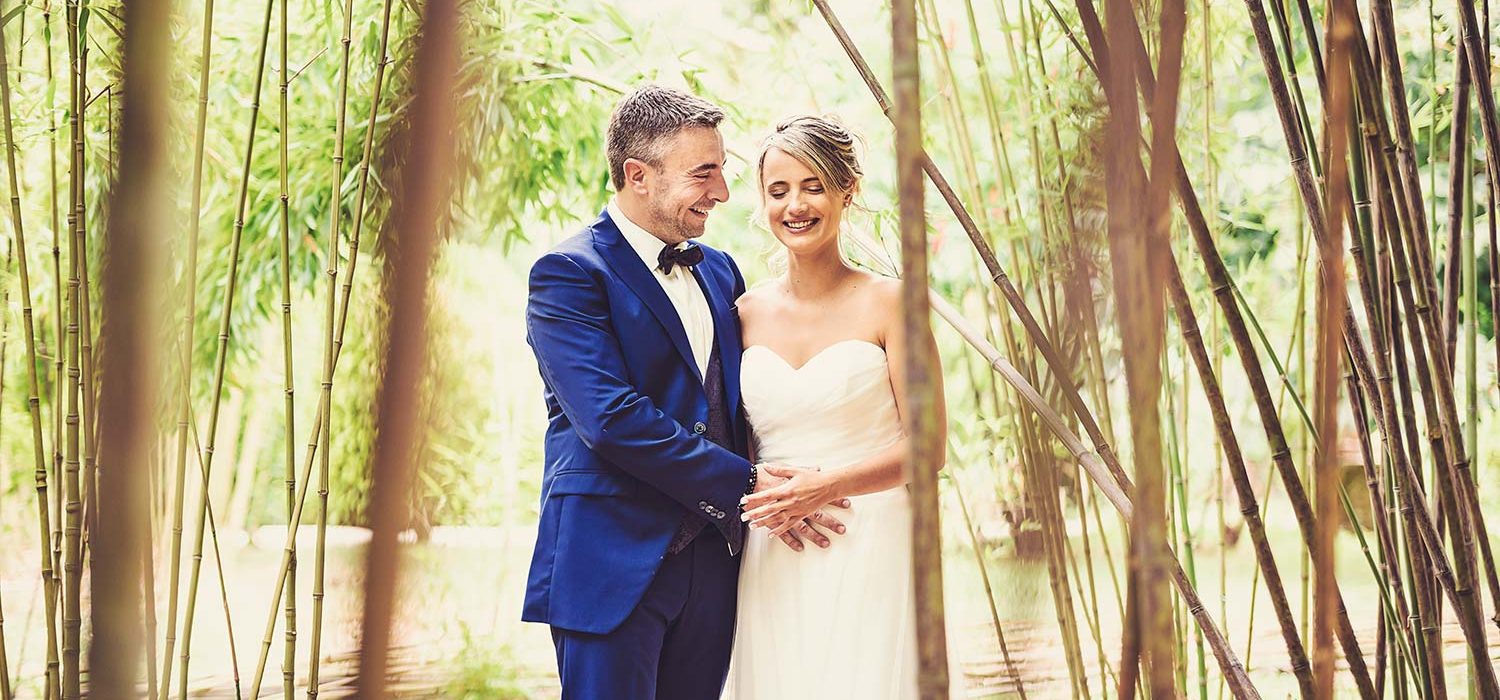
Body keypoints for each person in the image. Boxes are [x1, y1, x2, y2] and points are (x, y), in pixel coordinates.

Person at [521, 86, 847, 699]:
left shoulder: (721, 271)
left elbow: (737, 404)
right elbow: (611, 419)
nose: (723, 192)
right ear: (638, 175)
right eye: (705, 173)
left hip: (718, 560)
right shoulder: (567, 275)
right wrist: (749, 483)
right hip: (611, 563)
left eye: (722, 171)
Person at [724, 115, 947, 700]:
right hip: (778, 542)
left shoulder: (893, 302)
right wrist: (775, 496)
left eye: (813, 185)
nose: (795, 205)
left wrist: (823, 487)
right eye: (779, 190)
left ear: (847, 191)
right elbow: (737, 442)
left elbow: (929, 449)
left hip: (872, 535)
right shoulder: (743, 313)